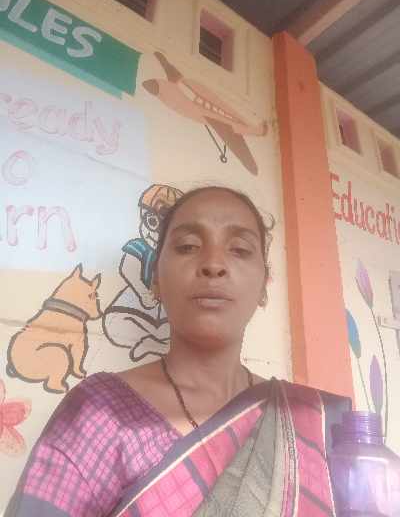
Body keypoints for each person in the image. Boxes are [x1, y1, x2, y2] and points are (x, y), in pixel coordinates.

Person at [6, 186, 351, 517]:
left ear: (264, 286)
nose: (213, 264)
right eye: (188, 246)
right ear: (155, 279)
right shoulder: (99, 414)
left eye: (239, 249)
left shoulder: (310, 420)